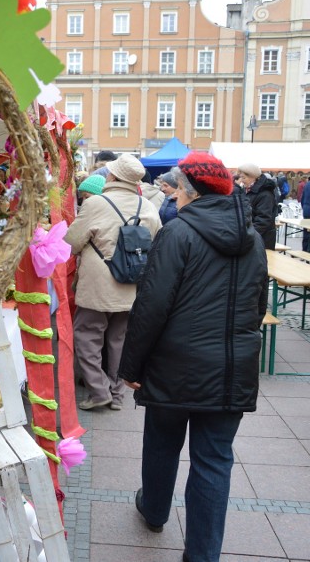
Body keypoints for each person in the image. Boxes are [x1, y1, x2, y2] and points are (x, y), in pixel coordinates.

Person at [118, 151, 267, 562]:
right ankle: (202, 555)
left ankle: (154, 509)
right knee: (214, 460)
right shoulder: (252, 238)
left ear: (190, 191)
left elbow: (151, 306)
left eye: (179, 189)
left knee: (163, 441)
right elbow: (258, 303)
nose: (176, 197)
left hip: (175, 364)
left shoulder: (177, 233)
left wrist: (131, 367)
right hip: (232, 366)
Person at [64, 154, 161, 411]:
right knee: (119, 339)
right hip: (131, 282)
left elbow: (71, 242)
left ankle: (98, 391)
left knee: (87, 335)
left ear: (113, 177)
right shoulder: (148, 206)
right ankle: (117, 395)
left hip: (98, 281)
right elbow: (158, 242)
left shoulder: (96, 203)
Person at [237, 162, 279, 250]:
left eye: (243, 177)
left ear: (252, 177)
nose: (241, 180)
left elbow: (263, 220)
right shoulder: (247, 190)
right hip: (252, 237)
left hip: (262, 239)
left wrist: (248, 235)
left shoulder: (265, 194)